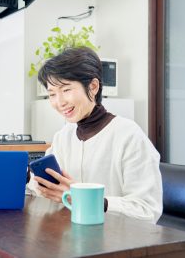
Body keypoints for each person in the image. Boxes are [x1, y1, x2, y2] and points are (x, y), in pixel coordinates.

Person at [27, 47, 163, 223]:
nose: (59, 102)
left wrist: (87, 199)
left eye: (66, 90)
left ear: (93, 87)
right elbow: (44, 189)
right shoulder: (63, 136)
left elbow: (147, 210)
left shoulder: (129, 135)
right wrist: (29, 178)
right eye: (52, 94)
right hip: (71, 238)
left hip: (117, 242)